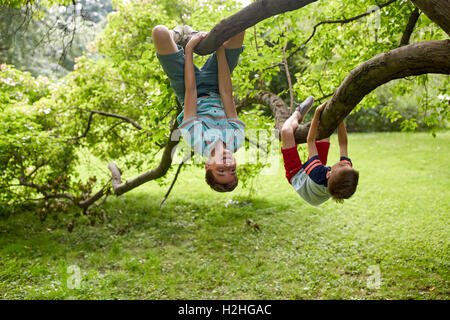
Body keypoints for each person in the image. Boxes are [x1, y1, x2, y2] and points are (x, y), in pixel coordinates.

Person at [152, 25, 246, 192]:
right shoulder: (236, 139)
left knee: (159, 33)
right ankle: (194, 36)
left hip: (187, 87)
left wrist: (189, 50)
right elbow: (226, 92)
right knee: (239, 29)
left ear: (208, 165)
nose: (227, 164)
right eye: (232, 169)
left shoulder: (196, 141)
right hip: (216, 84)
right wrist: (219, 49)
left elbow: (191, 90)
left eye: (221, 170)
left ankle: (180, 35)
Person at [280, 96, 359, 206]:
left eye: (341, 165)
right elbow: (343, 144)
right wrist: (340, 118)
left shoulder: (317, 173)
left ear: (329, 174)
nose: (343, 163)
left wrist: (317, 113)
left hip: (298, 177)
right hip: (317, 184)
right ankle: (315, 118)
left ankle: (297, 114)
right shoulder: (344, 171)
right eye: (346, 165)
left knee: (286, 131)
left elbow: (310, 140)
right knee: (324, 134)